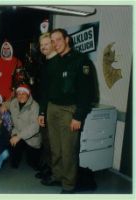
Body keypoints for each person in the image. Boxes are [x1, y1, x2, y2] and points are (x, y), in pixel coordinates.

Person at [39, 28, 95, 194]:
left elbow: (87, 92)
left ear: (67, 39)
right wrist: (42, 112)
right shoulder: (54, 62)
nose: (55, 44)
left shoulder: (81, 60)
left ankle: (69, 185)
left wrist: (78, 116)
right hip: (52, 108)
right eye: (53, 40)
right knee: (56, 148)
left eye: (58, 40)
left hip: (69, 110)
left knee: (68, 149)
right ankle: (57, 176)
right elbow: (46, 90)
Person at [35, 33, 60, 180]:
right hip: (44, 107)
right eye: (42, 45)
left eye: (46, 44)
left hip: (53, 109)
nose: (43, 47)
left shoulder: (58, 62)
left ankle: (54, 173)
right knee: (46, 141)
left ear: (53, 44)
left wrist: (43, 112)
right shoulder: (46, 62)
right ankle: (48, 168)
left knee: (53, 143)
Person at [9, 84, 41, 170]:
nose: (21, 96)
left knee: (33, 164)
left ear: (28, 94)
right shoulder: (13, 103)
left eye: (24, 93)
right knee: (13, 164)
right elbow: (6, 104)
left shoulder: (35, 105)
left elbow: (35, 127)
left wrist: (19, 136)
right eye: (19, 93)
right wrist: (3, 106)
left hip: (31, 138)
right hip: (17, 133)